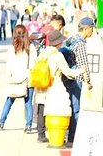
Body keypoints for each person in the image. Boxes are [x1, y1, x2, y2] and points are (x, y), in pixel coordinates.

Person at [33, 29, 83, 144]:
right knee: (55, 112)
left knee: (41, 108)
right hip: (53, 87)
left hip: (41, 84)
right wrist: (81, 70)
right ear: (59, 42)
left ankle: (41, 135)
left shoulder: (43, 52)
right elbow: (68, 72)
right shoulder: (57, 55)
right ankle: (58, 136)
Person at [0, 25, 37, 133]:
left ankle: (1, 122)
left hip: (15, 79)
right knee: (28, 103)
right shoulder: (30, 47)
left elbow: (9, 65)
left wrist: (9, 77)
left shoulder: (12, 48)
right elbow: (33, 64)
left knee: (9, 101)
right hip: (28, 79)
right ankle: (28, 126)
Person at [60, 16, 95, 147]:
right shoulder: (80, 43)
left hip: (66, 78)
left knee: (68, 107)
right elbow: (83, 65)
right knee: (76, 110)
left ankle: (66, 134)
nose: (92, 32)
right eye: (92, 29)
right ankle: (72, 139)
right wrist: (89, 82)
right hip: (75, 81)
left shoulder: (71, 39)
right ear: (87, 28)